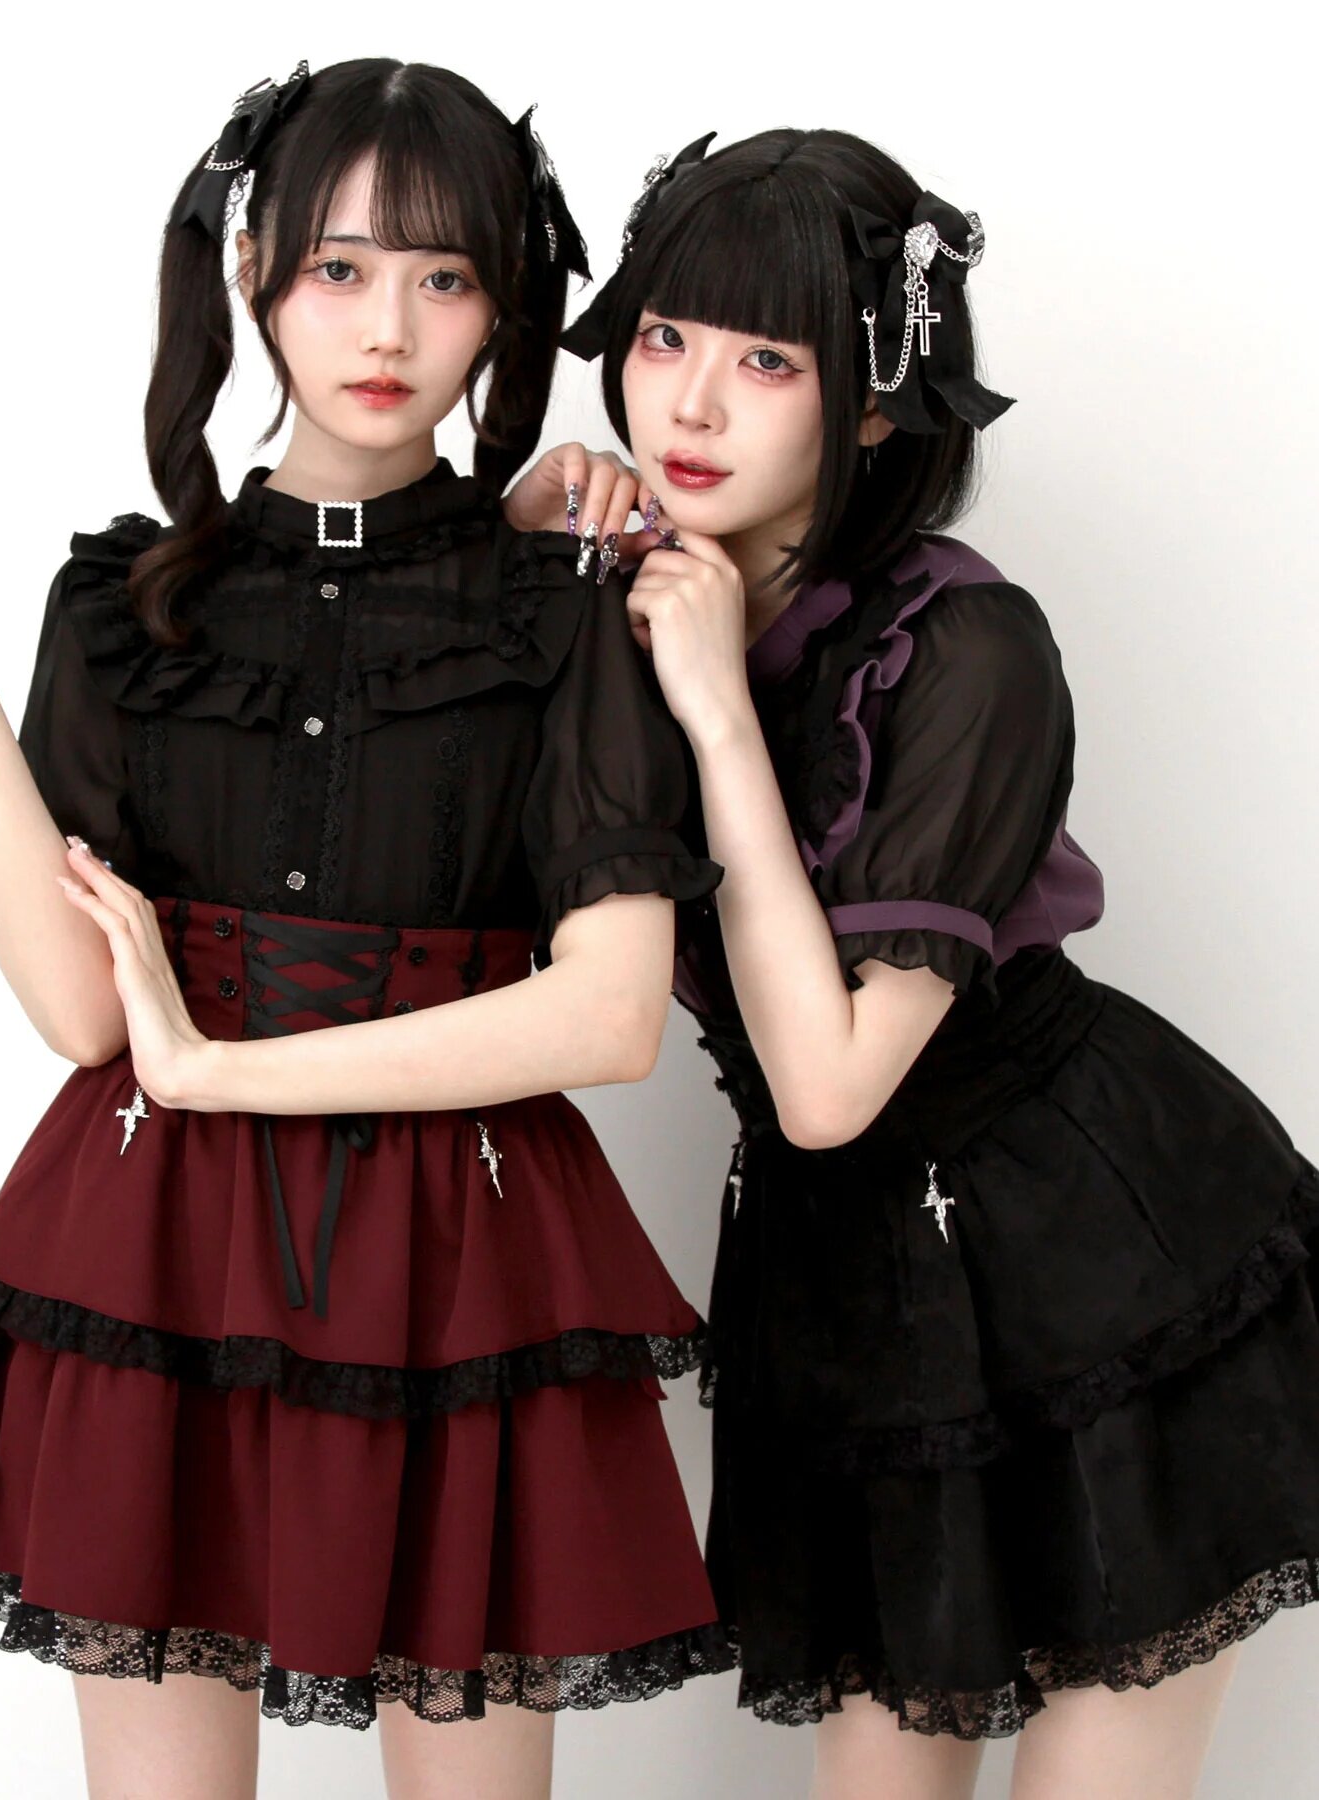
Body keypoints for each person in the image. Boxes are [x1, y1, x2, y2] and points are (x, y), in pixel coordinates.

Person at [0, 59, 731, 1800]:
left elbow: (612, 1020)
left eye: (445, 275)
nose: (388, 327)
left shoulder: (565, 605)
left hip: (463, 1255)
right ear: (254, 270)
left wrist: (220, 1071)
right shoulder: (124, 603)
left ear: (503, 305)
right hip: (159, 1249)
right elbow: (86, 1021)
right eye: (339, 267)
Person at [562, 127, 1319, 1799]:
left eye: (769, 360)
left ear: (875, 404)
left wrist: (716, 712)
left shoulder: (966, 646)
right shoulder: (622, 608)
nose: (692, 404)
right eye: (666, 336)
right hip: (845, 1294)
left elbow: (829, 1085)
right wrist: (517, 536)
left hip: (1096, 1260)